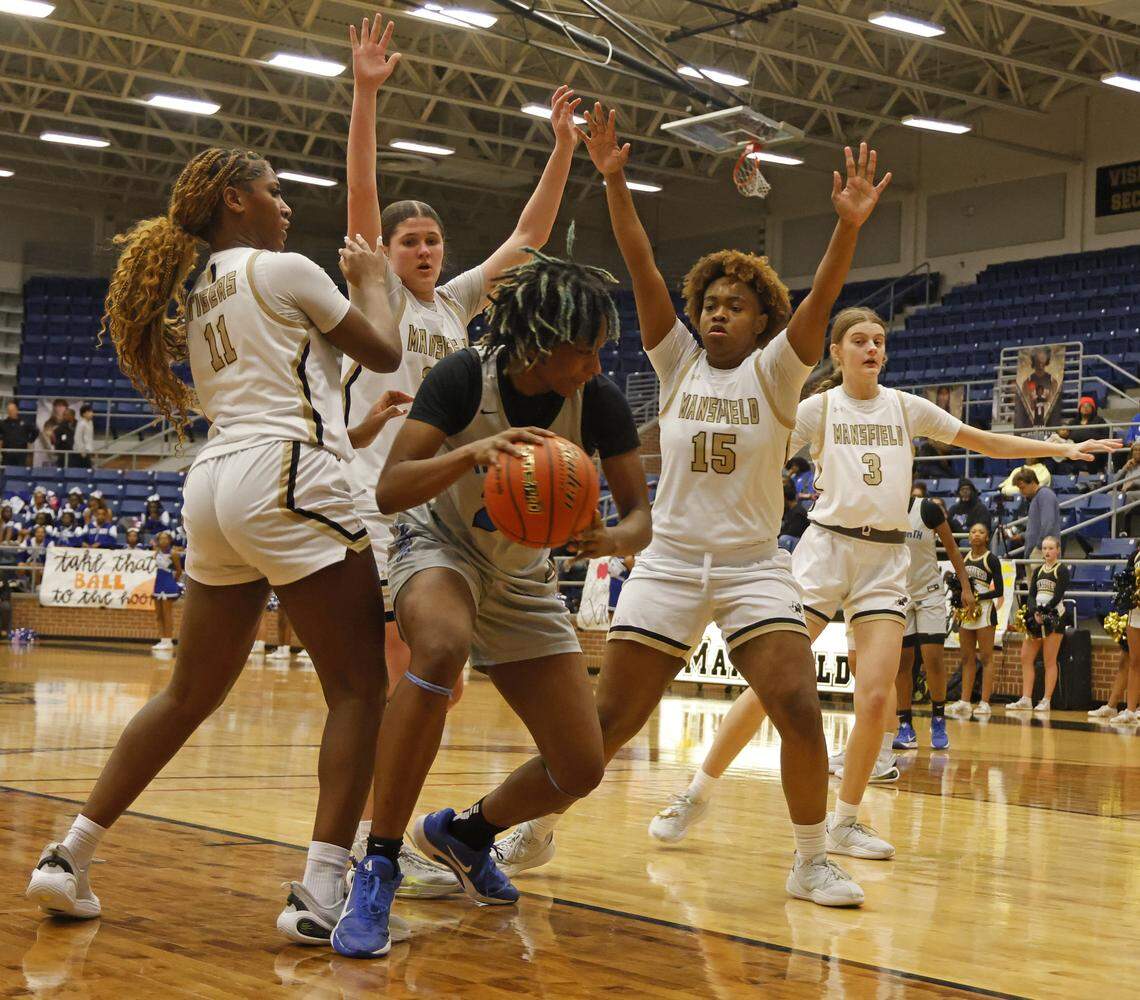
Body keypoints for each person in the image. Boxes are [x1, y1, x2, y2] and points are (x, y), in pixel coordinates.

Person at [495, 115, 893, 907]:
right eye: (710, 301)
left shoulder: (779, 374)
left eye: (736, 305)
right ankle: (534, 828)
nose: (718, 313)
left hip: (751, 569)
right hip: (671, 562)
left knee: (800, 707)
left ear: (760, 321)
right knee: (606, 724)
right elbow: (640, 263)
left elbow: (824, 296)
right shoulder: (674, 362)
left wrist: (847, 228)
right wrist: (612, 178)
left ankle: (811, 858)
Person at [26, 146, 404, 950]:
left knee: (188, 693)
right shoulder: (285, 269)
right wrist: (374, 278)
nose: (286, 204)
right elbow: (384, 353)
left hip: (214, 482)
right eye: (274, 190)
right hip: (288, 473)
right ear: (235, 200)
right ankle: (323, 890)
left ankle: (71, 853)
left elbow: (310, 382)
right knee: (360, 689)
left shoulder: (199, 293)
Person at [642, 308, 1117, 862]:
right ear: (838, 352)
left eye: (879, 341)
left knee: (875, 698)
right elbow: (754, 454)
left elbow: (984, 441)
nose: (872, 349)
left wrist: (1059, 450)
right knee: (771, 687)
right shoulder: (816, 409)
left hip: (884, 559)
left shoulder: (904, 406)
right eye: (859, 341)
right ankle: (696, 793)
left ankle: (846, 820)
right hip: (824, 550)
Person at [332, 234, 652, 954]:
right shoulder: (460, 378)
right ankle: (379, 860)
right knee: (440, 648)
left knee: (581, 766)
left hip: (522, 577)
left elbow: (640, 519)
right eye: (586, 349)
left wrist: (608, 539)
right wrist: (468, 454)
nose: (599, 364)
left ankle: (465, 833)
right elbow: (388, 489)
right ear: (542, 345)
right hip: (438, 547)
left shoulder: (594, 399)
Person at [337, 16, 585, 896]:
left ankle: (394, 835)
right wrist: (368, 92)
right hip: (374, 497)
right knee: (399, 680)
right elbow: (363, 200)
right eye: (411, 241)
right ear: (384, 251)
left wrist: (561, 149)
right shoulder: (372, 290)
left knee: (420, 679)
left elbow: (529, 234)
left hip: (433, 505)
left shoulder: (454, 306)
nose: (425, 249)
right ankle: (372, 845)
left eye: (433, 240)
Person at [893, 492, 975, 751]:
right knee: (902, 664)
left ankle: (938, 718)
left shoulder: (927, 509)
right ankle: (905, 725)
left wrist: (965, 586)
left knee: (933, 659)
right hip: (899, 594)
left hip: (929, 593)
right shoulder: (883, 508)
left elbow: (951, 547)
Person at [946, 523, 1004, 718]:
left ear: (987, 537)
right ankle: (964, 700)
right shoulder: (965, 558)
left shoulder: (991, 559)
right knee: (966, 657)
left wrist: (977, 597)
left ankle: (985, 702)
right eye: (973, 532)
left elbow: (1000, 591)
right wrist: (959, 602)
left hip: (985, 611)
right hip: (966, 612)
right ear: (969, 537)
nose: (977, 535)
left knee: (986, 657)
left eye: (981, 532)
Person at [1007, 536, 1070, 713]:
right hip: (1036, 618)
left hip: (1055, 618)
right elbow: (1032, 594)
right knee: (1026, 657)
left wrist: (1045, 612)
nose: (1047, 552)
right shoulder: (1038, 571)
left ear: (1058, 550)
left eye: (1051, 548)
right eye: (1044, 548)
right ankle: (1026, 698)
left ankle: (1046, 700)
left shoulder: (1062, 570)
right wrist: (1034, 612)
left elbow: (1058, 595)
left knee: (1050, 660)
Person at [1104, 545, 1140, 725]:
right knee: (1134, 661)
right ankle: (1130, 710)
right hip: (1136, 613)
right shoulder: (1136, 555)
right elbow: (1127, 581)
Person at [1006, 467, 1061, 563]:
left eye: (1022, 487)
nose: (1021, 491)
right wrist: (1022, 536)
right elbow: (1035, 529)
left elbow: (1048, 524)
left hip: (1042, 553)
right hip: (1035, 552)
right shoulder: (1035, 498)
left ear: (1032, 482)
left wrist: (1039, 547)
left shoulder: (1045, 495)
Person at [150, 530, 183, 654]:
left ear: (170, 540)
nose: (163, 541)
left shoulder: (173, 553)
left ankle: (168, 640)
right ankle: (162, 639)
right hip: (157, 584)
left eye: (165, 538)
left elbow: (179, 570)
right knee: (159, 614)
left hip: (168, 583)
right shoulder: (156, 552)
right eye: (161, 539)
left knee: (167, 613)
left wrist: (172, 583)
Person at [778, 481, 810, 552]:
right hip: (792, 538)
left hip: (800, 540)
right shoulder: (788, 509)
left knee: (783, 539)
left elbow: (793, 532)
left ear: (785, 498)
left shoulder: (798, 512)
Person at [1, 401, 34, 466]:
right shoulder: (2, 424)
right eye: (9, 410)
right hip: (7, 454)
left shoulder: (25, 422)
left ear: (16, 410)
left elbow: (35, 431)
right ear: (7, 412)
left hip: (21, 454)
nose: (11, 412)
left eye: (13, 410)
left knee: (20, 473)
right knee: (6, 473)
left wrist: (30, 440)